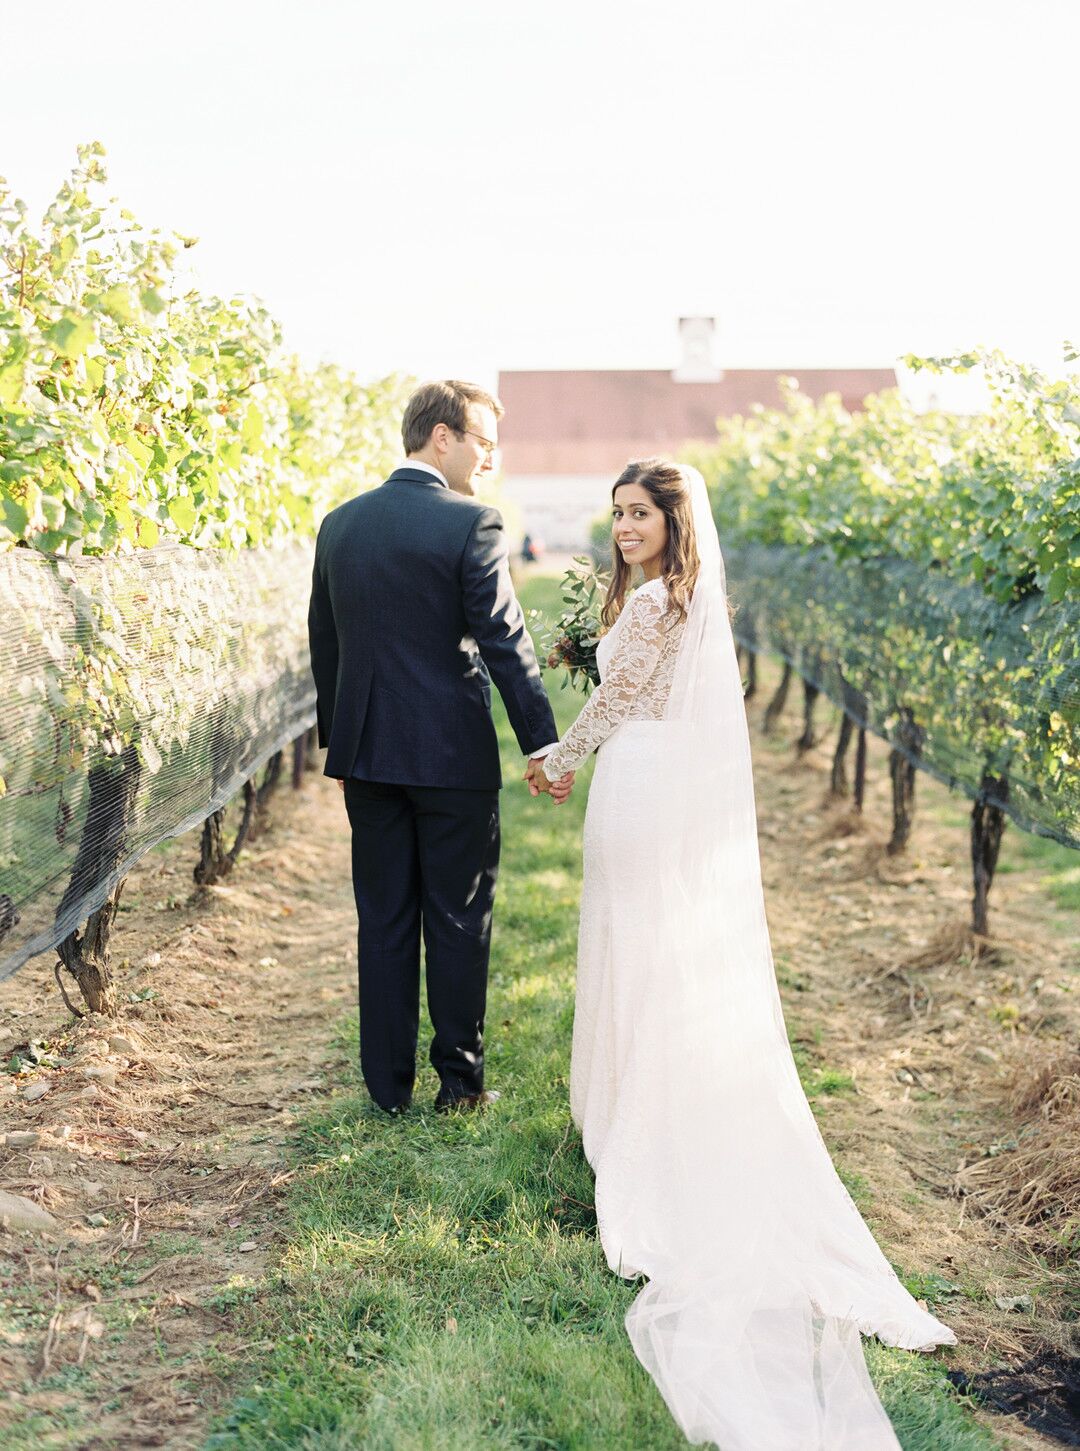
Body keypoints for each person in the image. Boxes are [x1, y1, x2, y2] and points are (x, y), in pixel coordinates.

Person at [533, 459, 956, 1450]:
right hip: (665, 784)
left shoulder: (647, 609)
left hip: (637, 786)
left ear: (675, 522)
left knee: (634, 949)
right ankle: (643, 1100)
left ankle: (634, 1127)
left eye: (640, 513)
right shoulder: (685, 600)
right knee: (655, 951)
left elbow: (617, 706)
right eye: (617, 513)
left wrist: (557, 757)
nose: (624, 527)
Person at [308, 380, 570, 1117]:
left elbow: (325, 642)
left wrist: (340, 744)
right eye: (484, 441)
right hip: (451, 758)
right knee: (458, 918)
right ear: (443, 437)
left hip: (368, 758)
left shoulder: (340, 523)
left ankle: (386, 1090)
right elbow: (505, 641)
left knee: (385, 918)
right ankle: (460, 1085)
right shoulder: (472, 524)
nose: (490, 458)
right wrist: (543, 744)